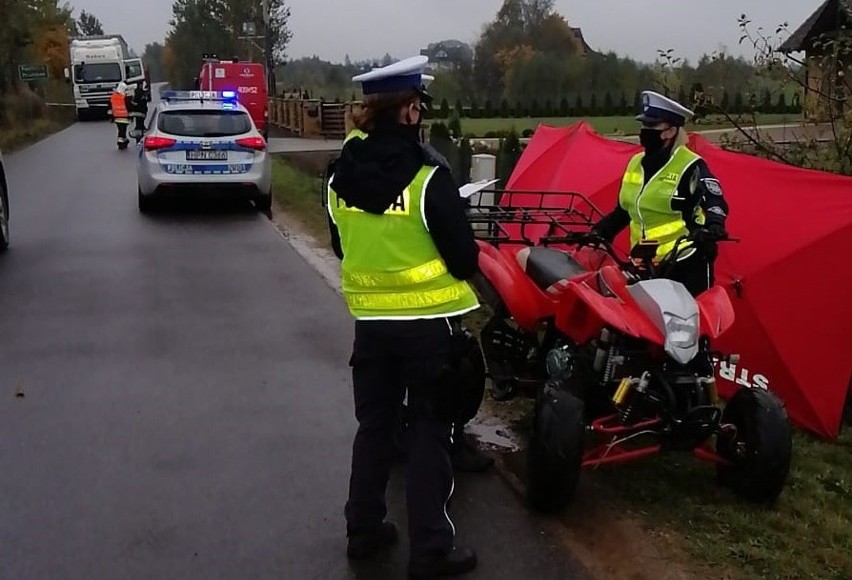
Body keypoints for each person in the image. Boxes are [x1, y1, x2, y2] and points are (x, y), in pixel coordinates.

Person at [327, 55, 480, 578]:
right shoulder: (429, 176)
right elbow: (465, 259)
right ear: (410, 111)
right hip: (428, 329)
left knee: (374, 428)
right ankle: (431, 550)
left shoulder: (340, 173)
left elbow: (339, 244)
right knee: (429, 432)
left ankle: (363, 532)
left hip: (369, 326)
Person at [591, 90, 730, 297]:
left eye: (651, 126)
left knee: (686, 326)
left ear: (670, 131)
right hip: (644, 264)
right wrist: (598, 233)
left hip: (685, 261)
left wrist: (714, 225)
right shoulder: (635, 163)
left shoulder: (690, 165)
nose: (644, 130)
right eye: (643, 125)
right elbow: (624, 211)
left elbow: (713, 199)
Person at [108, 82, 131, 147]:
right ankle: (122, 141)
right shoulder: (124, 97)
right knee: (123, 131)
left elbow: (110, 107)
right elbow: (129, 106)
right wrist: (130, 116)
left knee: (120, 130)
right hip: (124, 116)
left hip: (116, 117)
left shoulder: (113, 96)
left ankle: (122, 141)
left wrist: (111, 117)